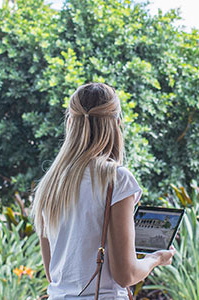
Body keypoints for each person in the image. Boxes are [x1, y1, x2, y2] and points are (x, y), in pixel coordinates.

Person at [32, 83, 176, 299]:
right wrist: (156, 258)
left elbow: (53, 275)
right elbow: (125, 275)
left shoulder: (50, 184)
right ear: (117, 123)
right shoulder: (116, 179)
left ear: (70, 123)